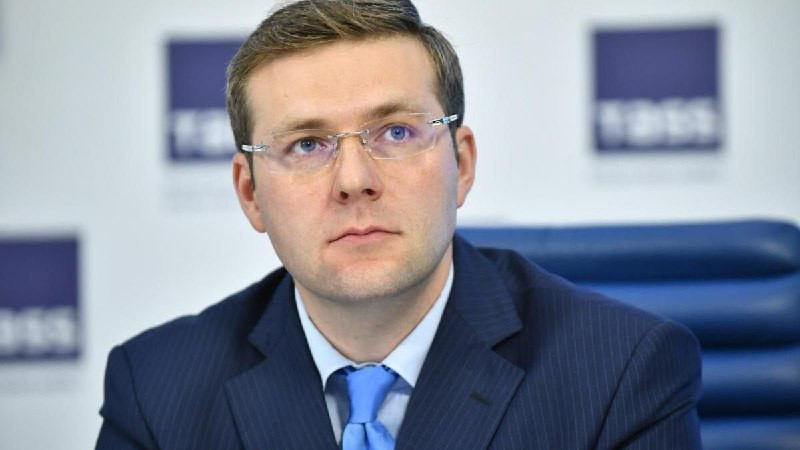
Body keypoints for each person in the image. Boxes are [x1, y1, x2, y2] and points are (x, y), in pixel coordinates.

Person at [96, 1, 702, 448]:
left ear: (461, 165)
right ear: (250, 192)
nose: (354, 179)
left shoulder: (620, 372)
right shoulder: (156, 393)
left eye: (395, 132)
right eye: (307, 144)